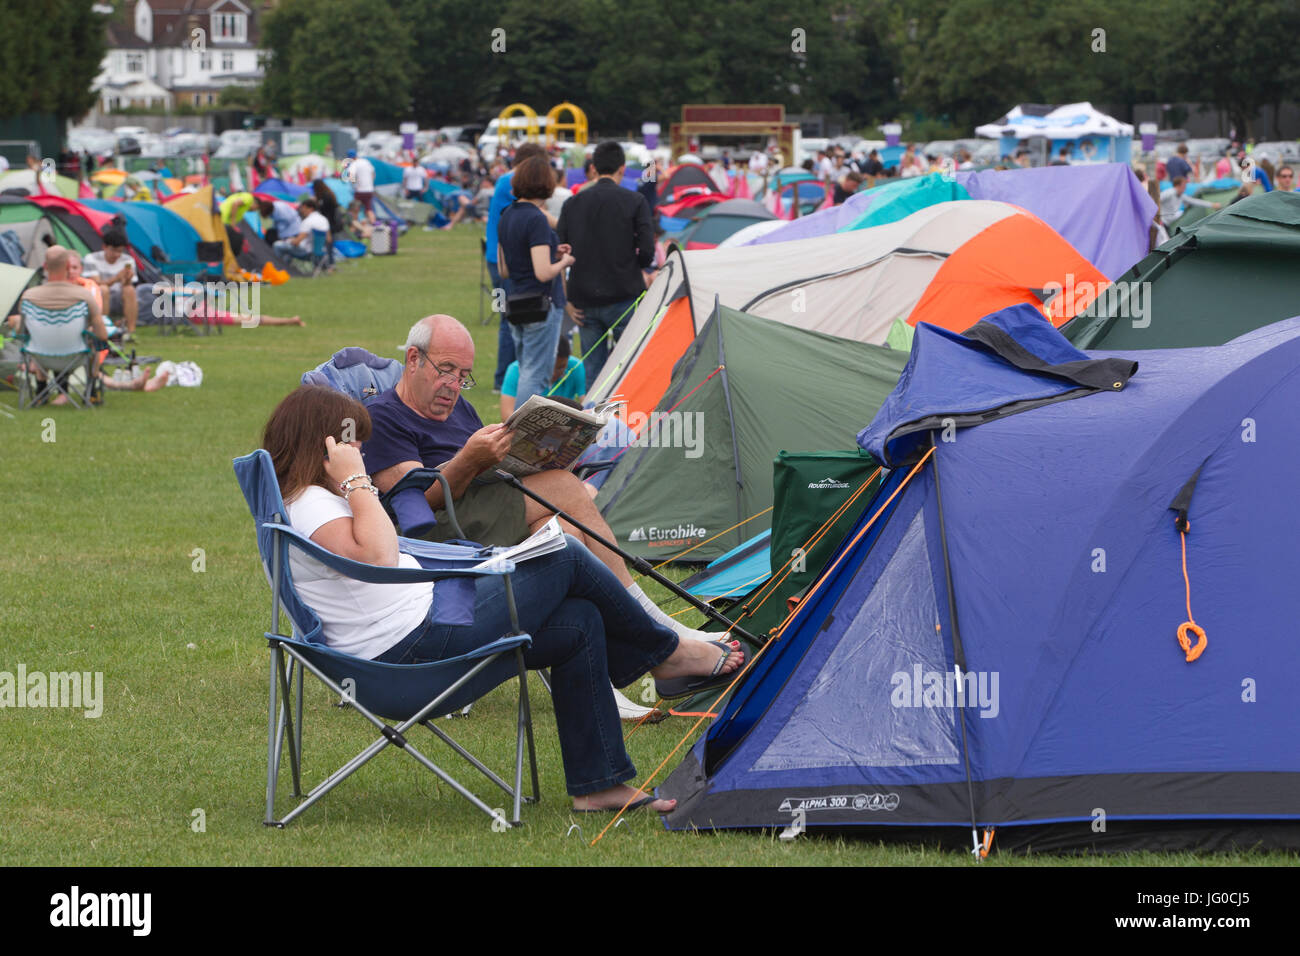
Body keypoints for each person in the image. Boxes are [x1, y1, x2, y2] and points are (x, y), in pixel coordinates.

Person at [264, 385, 740, 810]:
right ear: (322, 446)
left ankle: (600, 785)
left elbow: (381, 551)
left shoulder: (312, 501)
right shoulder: (309, 503)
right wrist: (355, 480)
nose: (361, 452)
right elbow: (379, 555)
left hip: (423, 627)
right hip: (407, 657)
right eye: (353, 443)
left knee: (578, 622)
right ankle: (667, 655)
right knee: (566, 556)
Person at [363, 315, 722, 721]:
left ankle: (600, 680)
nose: (453, 385)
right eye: (446, 370)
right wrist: (469, 459)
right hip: (441, 537)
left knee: (563, 532)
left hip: (489, 506)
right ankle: (659, 634)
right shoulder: (384, 416)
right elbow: (413, 502)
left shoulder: (457, 408)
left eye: (463, 376)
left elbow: (488, 469)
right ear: (413, 359)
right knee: (563, 488)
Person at [557, 141, 654, 384]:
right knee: (629, 365)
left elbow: (559, 253)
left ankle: (594, 420)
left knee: (594, 371)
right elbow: (648, 251)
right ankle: (627, 417)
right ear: (621, 168)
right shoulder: (635, 201)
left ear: (593, 168)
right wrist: (636, 265)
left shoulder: (572, 203)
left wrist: (566, 297)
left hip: (584, 298)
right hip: (624, 292)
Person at [496, 155, 571, 411]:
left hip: (515, 302)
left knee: (525, 369)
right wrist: (565, 262)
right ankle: (522, 433)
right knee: (535, 376)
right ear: (546, 184)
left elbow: (504, 268)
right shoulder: (537, 218)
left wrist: (552, 252)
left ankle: (519, 430)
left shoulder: (507, 214)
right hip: (540, 305)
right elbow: (542, 273)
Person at [13, 246, 108, 404]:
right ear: (67, 267)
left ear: (45, 266)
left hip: (40, 357)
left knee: (34, 338)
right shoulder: (83, 296)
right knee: (95, 340)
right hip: (75, 355)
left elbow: (22, 332)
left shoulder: (29, 297)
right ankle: (91, 390)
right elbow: (102, 335)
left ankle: (41, 389)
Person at [499, 336, 585, 419]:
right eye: (548, 367)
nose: (553, 373)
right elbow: (506, 415)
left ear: (568, 358)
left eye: (560, 368)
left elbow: (587, 402)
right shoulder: (516, 369)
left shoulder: (576, 366)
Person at [82, 228, 138, 342]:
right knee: (103, 289)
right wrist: (116, 278)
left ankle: (131, 331)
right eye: (113, 250)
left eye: (120, 251)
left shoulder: (128, 260)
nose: (117, 254)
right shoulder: (91, 259)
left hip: (118, 296)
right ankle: (104, 329)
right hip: (97, 296)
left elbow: (126, 285)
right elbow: (95, 283)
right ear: (104, 247)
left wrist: (127, 278)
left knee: (130, 289)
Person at [273, 197, 332, 268]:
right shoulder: (324, 219)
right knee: (287, 250)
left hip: (307, 253)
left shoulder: (308, 221)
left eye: (303, 208)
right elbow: (329, 239)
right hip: (321, 253)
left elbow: (297, 242)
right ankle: (287, 269)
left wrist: (290, 240)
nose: (301, 210)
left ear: (310, 209)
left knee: (278, 245)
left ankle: (278, 268)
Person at [346, 150, 376, 224]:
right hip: (369, 190)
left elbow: (350, 175)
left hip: (360, 191)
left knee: (355, 209)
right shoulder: (366, 162)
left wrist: (354, 185)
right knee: (369, 209)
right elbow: (373, 174)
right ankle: (375, 225)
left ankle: (354, 227)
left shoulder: (354, 164)